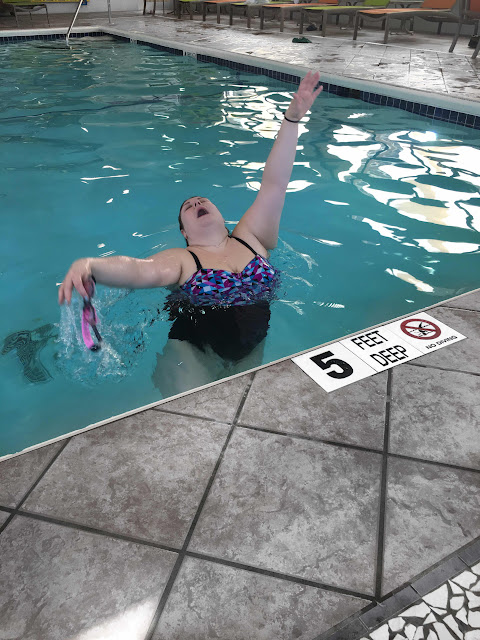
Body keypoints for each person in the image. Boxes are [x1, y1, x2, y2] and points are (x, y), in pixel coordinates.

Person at [58, 71, 323, 395]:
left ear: (222, 217)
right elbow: (140, 270)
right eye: (188, 206)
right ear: (184, 232)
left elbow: (275, 184)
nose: (197, 202)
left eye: (203, 200)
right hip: (191, 349)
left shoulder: (252, 237)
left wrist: (292, 120)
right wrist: (91, 266)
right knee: (195, 411)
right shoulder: (183, 259)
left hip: (251, 346)